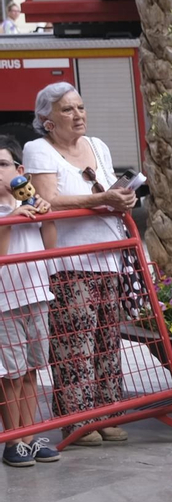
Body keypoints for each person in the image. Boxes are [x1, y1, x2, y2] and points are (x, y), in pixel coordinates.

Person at [24, 84, 137, 447]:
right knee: (75, 345)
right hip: (69, 262)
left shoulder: (98, 145)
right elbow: (47, 200)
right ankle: (77, 420)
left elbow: (105, 190)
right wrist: (101, 198)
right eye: (68, 110)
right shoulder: (38, 149)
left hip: (108, 255)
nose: (78, 115)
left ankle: (107, 415)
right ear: (47, 120)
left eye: (81, 107)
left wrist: (122, 197)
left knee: (106, 340)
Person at [0, 136, 56, 467]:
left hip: (37, 295)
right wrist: (12, 216)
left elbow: (50, 245)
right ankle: (12, 441)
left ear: (20, 171)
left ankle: (29, 435)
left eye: (3, 165)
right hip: (5, 303)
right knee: (10, 375)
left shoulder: (30, 202)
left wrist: (46, 214)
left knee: (33, 369)